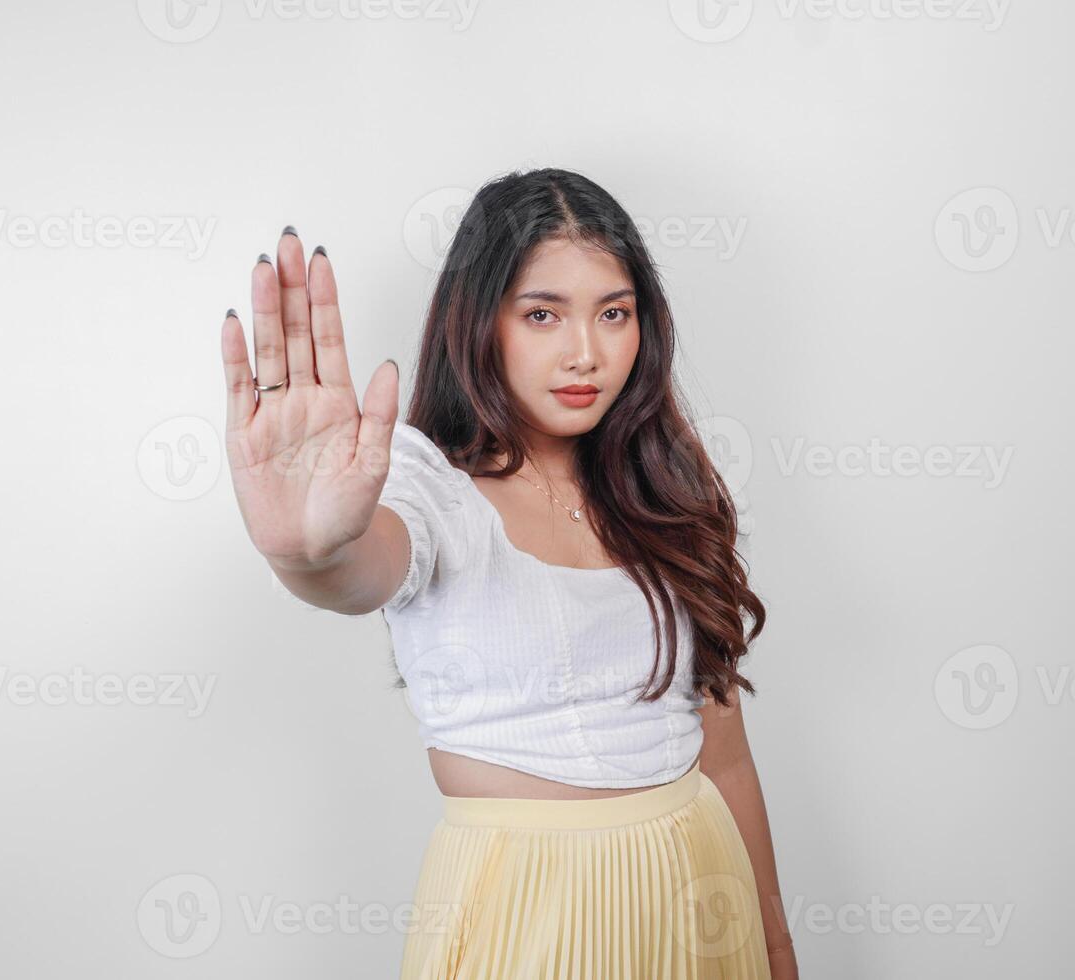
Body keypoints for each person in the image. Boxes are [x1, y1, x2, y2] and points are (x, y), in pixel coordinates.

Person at [218, 168, 797, 979]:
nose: (586, 353)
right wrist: (307, 552)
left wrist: (774, 949)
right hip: (526, 911)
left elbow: (727, 754)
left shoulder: (660, 484)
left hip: (703, 890)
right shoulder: (430, 485)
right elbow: (360, 568)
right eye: (542, 314)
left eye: (614, 313)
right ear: (478, 322)